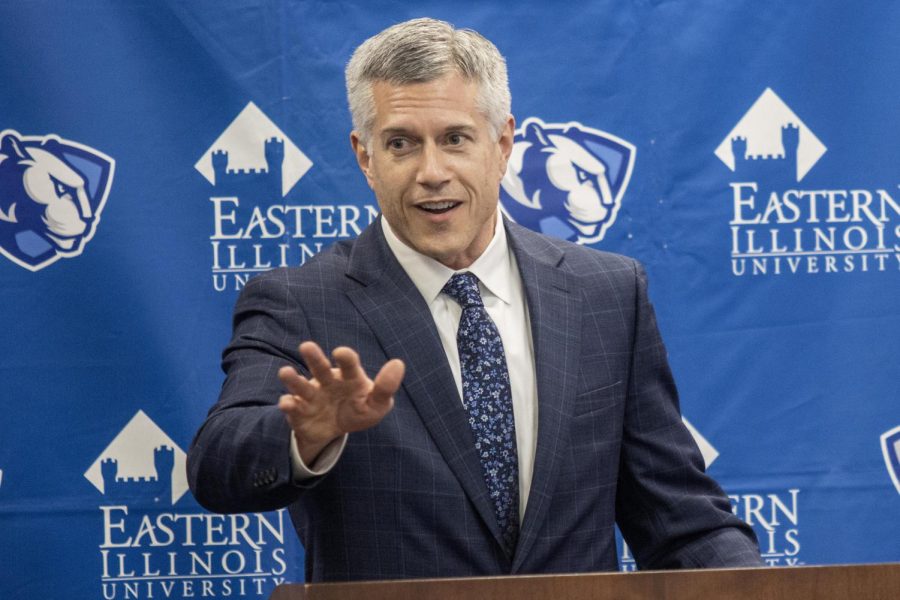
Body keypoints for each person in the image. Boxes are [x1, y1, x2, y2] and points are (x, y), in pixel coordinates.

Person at [187, 17, 761, 582]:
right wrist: (306, 435)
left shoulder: (606, 294)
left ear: (503, 142)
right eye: (401, 144)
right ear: (365, 157)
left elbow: (679, 518)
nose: (432, 172)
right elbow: (216, 467)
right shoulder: (301, 301)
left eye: (455, 139)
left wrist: (762, 588)